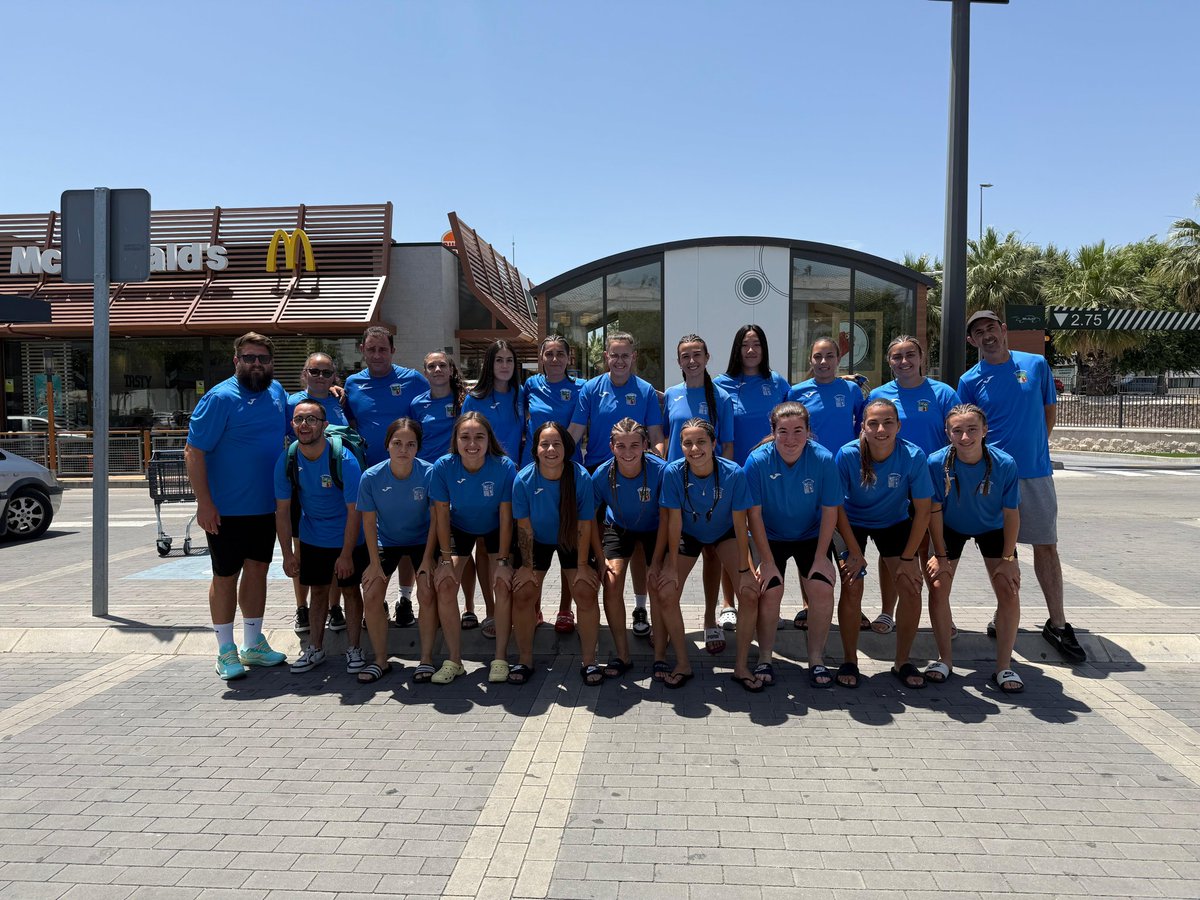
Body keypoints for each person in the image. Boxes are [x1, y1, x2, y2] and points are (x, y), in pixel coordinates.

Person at [958, 310, 1086, 663]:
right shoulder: (969, 380)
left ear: (1003, 329)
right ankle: (1004, 613)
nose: (986, 335)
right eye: (978, 332)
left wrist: (1035, 450)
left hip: (1034, 473)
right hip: (992, 476)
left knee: (1046, 545)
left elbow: (1048, 412)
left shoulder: (1036, 365)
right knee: (1002, 550)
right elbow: (967, 428)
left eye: (991, 328)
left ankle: (1057, 623)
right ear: (971, 340)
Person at [186, 332, 290, 681]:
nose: (256, 364)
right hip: (225, 510)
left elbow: (300, 416)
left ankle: (252, 644)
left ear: (271, 362)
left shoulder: (276, 392)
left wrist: (332, 390)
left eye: (262, 358)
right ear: (236, 361)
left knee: (258, 570)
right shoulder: (220, 398)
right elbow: (193, 451)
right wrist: (204, 504)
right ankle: (225, 650)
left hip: (265, 507)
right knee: (225, 576)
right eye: (249, 357)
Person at [569, 331, 665, 642]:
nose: (620, 361)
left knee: (637, 544)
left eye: (625, 355)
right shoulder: (591, 389)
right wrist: (554, 463)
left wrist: (656, 462)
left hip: (638, 470)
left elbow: (656, 434)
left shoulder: (645, 390)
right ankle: (591, 611)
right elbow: (575, 431)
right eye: (615, 355)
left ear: (633, 357)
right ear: (605, 357)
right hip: (600, 473)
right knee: (595, 543)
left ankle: (640, 607)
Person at [833, 399, 933, 689]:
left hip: (893, 522)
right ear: (862, 427)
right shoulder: (848, 454)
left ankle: (902, 661)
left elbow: (923, 511)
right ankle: (849, 660)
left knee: (911, 587)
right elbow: (836, 508)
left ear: (898, 426)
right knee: (852, 585)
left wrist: (908, 559)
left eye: (888, 422)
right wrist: (853, 551)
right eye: (873, 423)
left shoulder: (912, 455)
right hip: (851, 522)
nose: (881, 429)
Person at [654, 418, 760, 690]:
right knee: (666, 592)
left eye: (701, 441)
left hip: (725, 532)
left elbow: (741, 524)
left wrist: (745, 570)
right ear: (680, 446)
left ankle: (741, 666)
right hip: (688, 533)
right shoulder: (673, 472)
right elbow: (673, 522)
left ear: (714, 444)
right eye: (687, 443)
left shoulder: (733, 473)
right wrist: (671, 567)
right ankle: (682, 663)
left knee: (749, 593)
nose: (694, 448)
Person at [926, 404, 1025, 692]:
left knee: (1009, 589)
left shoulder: (1004, 463)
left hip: (993, 528)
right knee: (938, 586)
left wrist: (1009, 559)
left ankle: (1004, 667)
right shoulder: (936, 462)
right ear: (948, 433)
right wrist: (940, 555)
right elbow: (933, 511)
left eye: (972, 429)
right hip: (950, 527)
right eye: (957, 430)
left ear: (984, 431)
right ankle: (944, 659)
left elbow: (1011, 514)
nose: (965, 437)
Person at [866, 336, 960, 636]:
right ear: (889, 361)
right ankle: (887, 611)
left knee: (932, 551)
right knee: (891, 551)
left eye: (910, 355)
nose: (904, 361)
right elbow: (866, 435)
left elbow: (957, 436)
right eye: (897, 356)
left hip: (931, 485)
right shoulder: (879, 395)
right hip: (891, 486)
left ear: (921, 358)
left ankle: (942, 614)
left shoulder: (943, 393)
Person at [744, 403, 841, 688]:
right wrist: (766, 561)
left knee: (822, 589)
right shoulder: (757, 460)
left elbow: (830, 511)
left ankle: (816, 659)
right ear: (773, 431)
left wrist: (822, 556)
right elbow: (753, 515)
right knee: (769, 590)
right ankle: (765, 657)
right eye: (783, 431)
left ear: (809, 431)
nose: (790, 439)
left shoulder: (823, 459)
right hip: (769, 536)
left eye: (798, 430)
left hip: (810, 535)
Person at [273, 400, 369, 675]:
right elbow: (282, 511)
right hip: (313, 536)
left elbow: (355, 511)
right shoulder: (288, 459)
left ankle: (354, 648)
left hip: (348, 536)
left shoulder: (344, 460)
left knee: (350, 591)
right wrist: (288, 554)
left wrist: (346, 554)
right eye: (299, 419)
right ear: (292, 425)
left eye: (312, 419)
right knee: (317, 592)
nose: (304, 425)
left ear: (324, 425)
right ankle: (315, 648)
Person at [344, 326, 429, 626]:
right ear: (362, 350)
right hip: (371, 477)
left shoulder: (413, 380)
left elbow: (432, 407)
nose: (377, 355)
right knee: (374, 538)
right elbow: (348, 423)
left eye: (383, 349)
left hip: (409, 474)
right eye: (371, 349)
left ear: (393, 351)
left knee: (407, 541)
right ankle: (376, 599)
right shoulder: (352, 384)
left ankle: (405, 599)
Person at [509, 422, 601, 685]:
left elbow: (585, 524)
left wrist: (582, 566)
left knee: (584, 590)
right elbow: (524, 527)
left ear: (566, 448)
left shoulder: (580, 477)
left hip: (570, 537)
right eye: (544, 444)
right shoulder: (524, 479)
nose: (551, 449)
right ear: (535, 449)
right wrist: (527, 567)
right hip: (537, 540)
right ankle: (525, 659)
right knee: (523, 593)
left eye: (556, 444)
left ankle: (589, 661)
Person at [429, 412, 517, 685]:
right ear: (455, 440)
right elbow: (442, 515)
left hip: (496, 528)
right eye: (465, 437)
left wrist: (503, 562)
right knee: (445, 585)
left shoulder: (504, 466)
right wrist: (445, 561)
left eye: (479, 437)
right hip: (460, 528)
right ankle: (454, 660)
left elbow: (506, 517)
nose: (472, 443)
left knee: (501, 584)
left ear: (489, 440)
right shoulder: (443, 466)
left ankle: (500, 658)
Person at [663, 334, 737, 649]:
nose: (691, 361)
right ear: (678, 361)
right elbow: (664, 438)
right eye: (685, 356)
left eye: (697, 355)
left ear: (707, 358)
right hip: (677, 488)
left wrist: (722, 487)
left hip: (711, 488)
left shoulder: (721, 397)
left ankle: (709, 619)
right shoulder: (670, 394)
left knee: (712, 554)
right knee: (671, 555)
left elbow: (727, 446)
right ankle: (666, 620)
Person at [788, 337, 867, 629]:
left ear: (838, 359)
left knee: (845, 541)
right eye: (818, 356)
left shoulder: (851, 390)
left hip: (843, 476)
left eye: (829, 356)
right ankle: (809, 606)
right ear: (810, 359)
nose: (823, 362)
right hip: (809, 474)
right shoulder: (796, 392)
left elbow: (862, 427)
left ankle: (853, 607)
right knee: (809, 543)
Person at [356, 418, 437, 684]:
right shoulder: (371, 477)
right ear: (387, 445)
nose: (404, 449)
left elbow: (436, 520)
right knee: (371, 592)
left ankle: (426, 659)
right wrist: (373, 563)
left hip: (421, 541)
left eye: (411, 444)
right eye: (397, 443)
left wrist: (428, 559)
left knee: (427, 591)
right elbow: (369, 523)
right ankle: (381, 660)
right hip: (386, 540)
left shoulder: (429, 473)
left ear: (418, 448)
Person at [590, 419, 668, 670]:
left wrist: (657, 561)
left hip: (656, 528)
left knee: (657, 583)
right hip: (619, 527)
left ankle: (660, 656)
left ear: (645, 445)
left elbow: (669, 517)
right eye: (621, 446)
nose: (628, 452)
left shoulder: (661, 470)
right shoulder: (602, 474)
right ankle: (622, 654)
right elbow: (590, 519)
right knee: (611, 582)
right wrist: (599, 558)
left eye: (634, 445)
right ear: (611, 447)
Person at [519, 335, 584, 633]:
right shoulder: (530, 386)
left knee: (568, 538)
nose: (555, 359)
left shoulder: (581, 388)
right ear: (541, 358)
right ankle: (534, 607)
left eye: (560, 354)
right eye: (549, 354)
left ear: (570, 358)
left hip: (569, 472)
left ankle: (565, 609)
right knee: (535, 540)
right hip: (534, 471)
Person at [287, 352, 350, 636]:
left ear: (334, 376)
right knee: (302, 549)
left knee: (334, 548)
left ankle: (334, 606)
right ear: (304, 374)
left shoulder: (341, 401)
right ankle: (302, 607)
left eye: (326, 373)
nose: (320, 377)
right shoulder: (292, 403)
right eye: (315, 371)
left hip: (335, 485)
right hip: (302, 484)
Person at [406, 351, 468, 629]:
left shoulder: (463, 401)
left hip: (459, 478)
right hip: (428, 479)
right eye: (432, 366)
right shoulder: (417, 404)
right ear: (425, 372)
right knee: (432, 543)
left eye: (443, 365)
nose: (438, 369)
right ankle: (433, 606)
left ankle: (468, 607)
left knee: (462, 547)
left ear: (451, 370)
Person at [715, 324, 792, 466]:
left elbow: (796, 414)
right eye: (745, 345)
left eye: (757, 345)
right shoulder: (720, 384)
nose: (751, 350)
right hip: (735, 467)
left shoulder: (776, 381)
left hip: (771, 467)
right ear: (737, 349)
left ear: (764, 349)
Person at [462, 340, 523, 460]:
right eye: (499, 360)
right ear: (490, 364)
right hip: (485, 467)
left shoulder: (519, 393)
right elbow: (464, 440)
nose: (505, 365)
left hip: (514, 468)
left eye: (509, 360)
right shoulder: (473, 400)